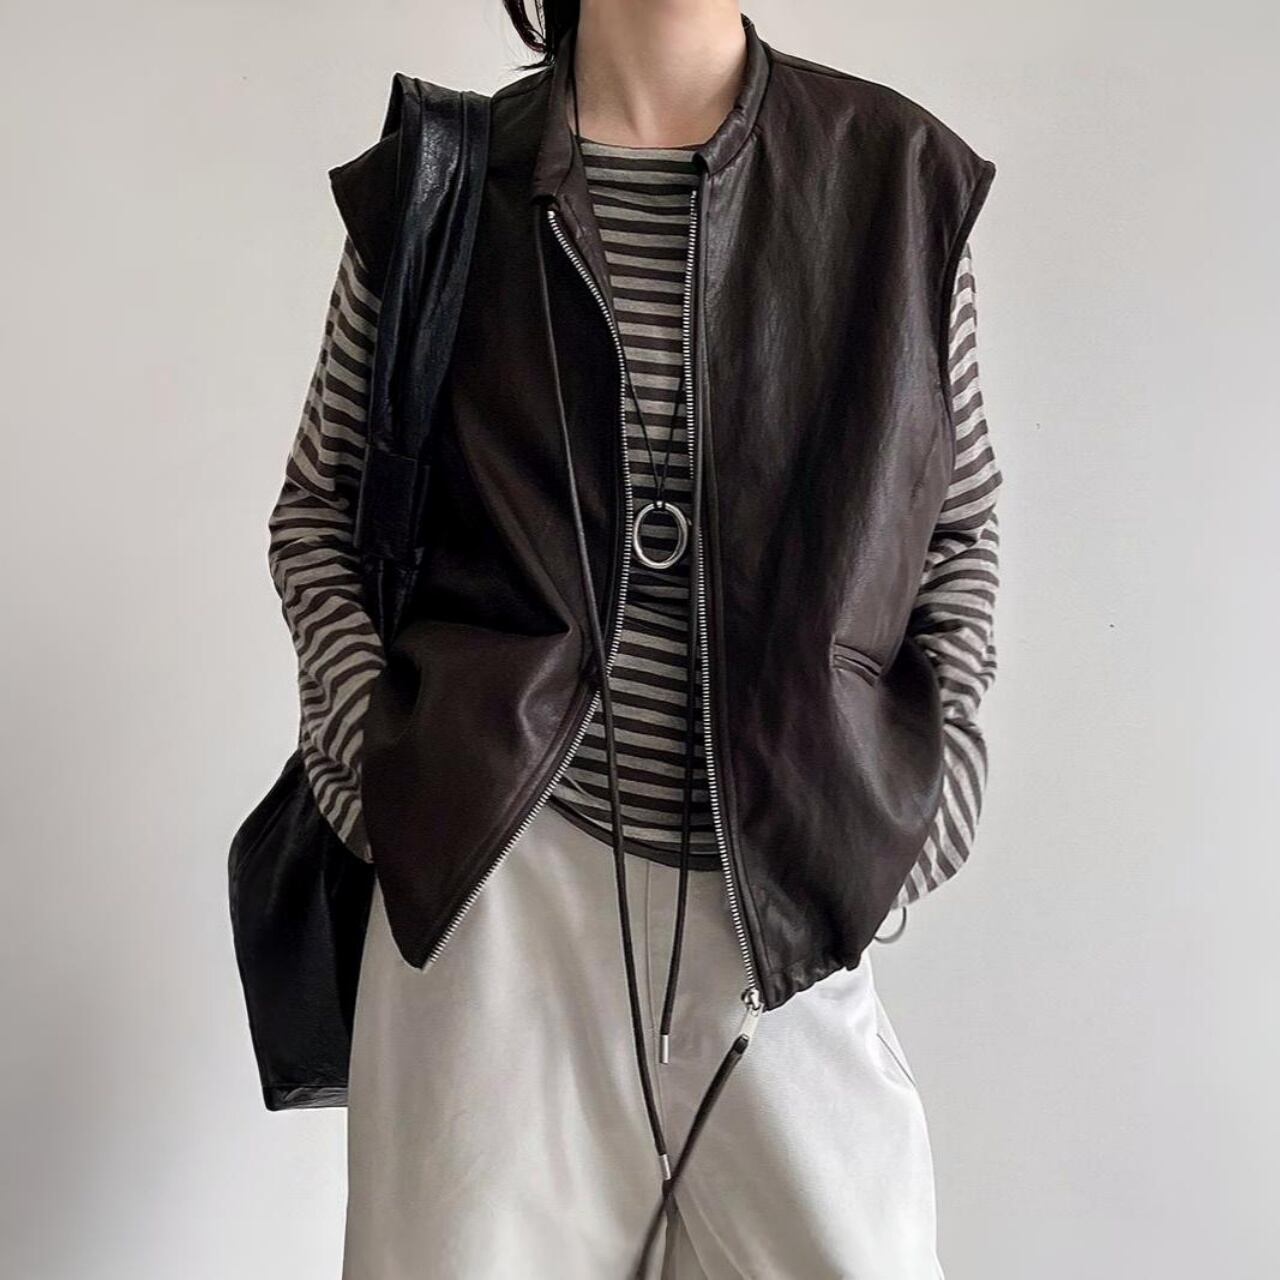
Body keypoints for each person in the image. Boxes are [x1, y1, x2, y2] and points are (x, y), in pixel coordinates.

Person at [266, 3, 1002, 1276]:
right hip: (495, 913)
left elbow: (955, 529)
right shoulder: (442, 182)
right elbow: (322, 510)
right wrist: (385, 781)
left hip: (783, 911)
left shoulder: (895, 178)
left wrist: (916, 822)